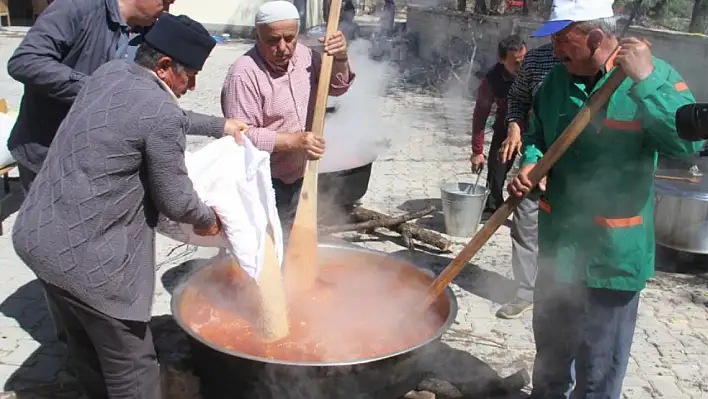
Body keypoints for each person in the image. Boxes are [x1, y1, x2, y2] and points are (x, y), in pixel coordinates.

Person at [12, 14, 231, 399]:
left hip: (37, 238)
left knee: (84, 344)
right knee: (134, 366)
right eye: (191, 75)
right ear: (164, 66)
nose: (193, 85)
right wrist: (209, 220)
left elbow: (162, 116)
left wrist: (222, 126)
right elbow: (176, 200)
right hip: (90, 266)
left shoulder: (111, 74)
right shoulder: (160, 113)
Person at [507, 0, 705, 397]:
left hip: (612, 258)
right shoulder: (554, 84)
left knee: (598, 375)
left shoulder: (654, 77)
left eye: (564, 39)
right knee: (548, 365)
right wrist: (531, 165)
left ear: (595, 36)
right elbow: (536, 139)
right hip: (558, 251)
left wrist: (645, 81)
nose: (555, 49)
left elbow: (690, 144)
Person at [6, 0, 243, 193]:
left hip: (98, 165)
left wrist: (219, 125)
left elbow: (153, 108)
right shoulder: (77, 8)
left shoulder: (152, 33)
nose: (170, 4)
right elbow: (26, 62)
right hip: (48, 155)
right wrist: (100, 89)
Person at [221, 0, 355, 241]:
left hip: (303, 174)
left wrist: (341, 58)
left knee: (297, 241)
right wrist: (293, 141)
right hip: (263, 181)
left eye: (289, 38)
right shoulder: (244, 74)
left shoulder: (306, 57)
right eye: (272, 40)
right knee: (265, 246)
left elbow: (336, 87)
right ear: (256, 35)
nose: (283, 47)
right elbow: (240, 136)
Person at [493, 42, 559, 319]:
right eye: (555, 33)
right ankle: (525, 292)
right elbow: (518, 100)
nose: (559, 41)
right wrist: (514, 127)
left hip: (576, 163)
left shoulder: (603, 64)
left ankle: (562, 294)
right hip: (535, 154)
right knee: (525, 225)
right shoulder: (536, 59)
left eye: (566, 32)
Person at [469, 34, 527, 213]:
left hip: (535, 128)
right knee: (496, 168)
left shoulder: (535, 70)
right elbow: (480, 115)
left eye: (523, 59)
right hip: (505, 127)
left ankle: (531, 211)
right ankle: (494, 209)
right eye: (515, 62)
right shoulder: (491, 81)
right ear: (501, 60)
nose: (522, 66)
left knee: (534, 172)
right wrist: (477, 151)